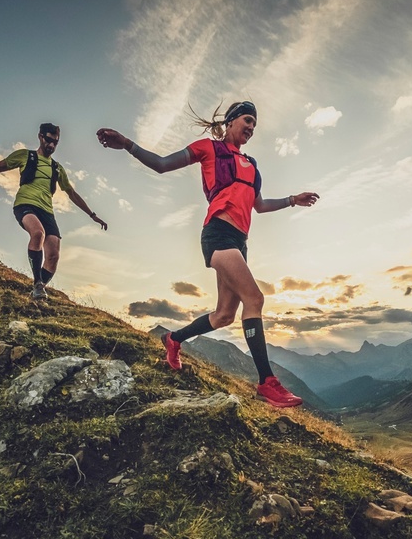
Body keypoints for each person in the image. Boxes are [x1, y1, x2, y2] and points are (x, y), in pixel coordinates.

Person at [96, 102, 319, 408]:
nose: (252, 128)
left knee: (225, 315)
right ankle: (268, 383)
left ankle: (173, 339)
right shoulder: (208, 149)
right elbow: (162, 164)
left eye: (255, 124)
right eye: (247, 120)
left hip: (240, 241)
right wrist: (128, 145)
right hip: (217, 234)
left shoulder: (253, 166)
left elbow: (260, 206)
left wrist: (293, 199)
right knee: (254, 300)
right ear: (230, 122)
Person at [0, 123, 107, 299]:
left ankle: (36, 290)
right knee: (38, 234)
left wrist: (92, 215)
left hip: (47, 211)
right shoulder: (26, 156)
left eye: (56, 142)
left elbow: (71, 193)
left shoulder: (57, 168)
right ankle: (38, 284)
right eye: (49, 140)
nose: (52, 145)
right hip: (25, 204)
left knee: (53, 257)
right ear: (40, 137)